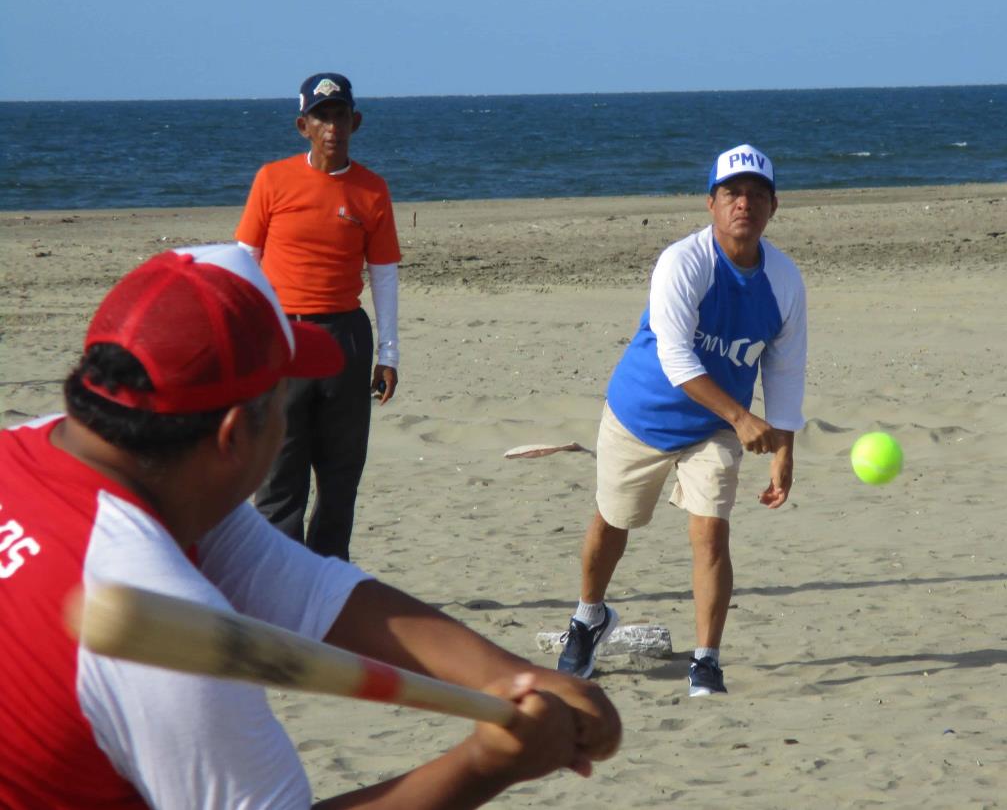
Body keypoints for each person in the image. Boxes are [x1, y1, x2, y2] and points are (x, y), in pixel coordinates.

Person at [0, 244, 620, 809]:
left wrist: (516, 679)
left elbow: (312, 590)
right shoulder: (165, 628)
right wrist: (486, 764)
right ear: (235, 434)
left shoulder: (63, 452)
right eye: (285, 398)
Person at [555, 144, 808, 697]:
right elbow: (676, 358)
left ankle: (706, 662)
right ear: (711, 203)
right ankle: (589, 617)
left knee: (711, 534)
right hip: (641, 414)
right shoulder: (684, 261)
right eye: (732, 194)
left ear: (773, 207)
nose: (745, 204)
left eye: (757, 195)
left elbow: (785, 369)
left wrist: (785, 448)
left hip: (713, 429)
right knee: (612, 523)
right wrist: (743, 417)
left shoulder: (784, 280)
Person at [236, 72, 399, 560]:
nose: (333, 126)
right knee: (279, 472)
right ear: (302, 125)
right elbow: (245, 258)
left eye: (341, 115)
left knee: (340, 474)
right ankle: (279, 580)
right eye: (322, 117)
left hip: (344, 339)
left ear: (356, 121)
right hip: (282, 337)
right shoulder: (272, 179)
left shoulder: (372, 190)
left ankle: (328, 577)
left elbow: (384, 275)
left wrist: (388, 353)